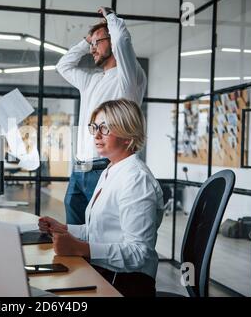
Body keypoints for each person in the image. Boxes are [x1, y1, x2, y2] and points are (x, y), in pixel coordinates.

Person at [39, 99, 163, 297]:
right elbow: (100, 230)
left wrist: (81, 248)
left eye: (105, 128)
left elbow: (140, 253)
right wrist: (63, 228)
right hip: (106, 273)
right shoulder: (111, 170)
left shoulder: (136, 179)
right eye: (95, 127)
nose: (96, 134)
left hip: (127, 285)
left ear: (127, 135)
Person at [56, 7, 147, 225]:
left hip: (105, 169)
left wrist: (111, 17)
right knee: (74, 234)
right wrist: (87, 40)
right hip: (79, 171)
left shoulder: (129, 79)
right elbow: (63, 65)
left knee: (100, 235)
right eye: (91, 45)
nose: (92, 49)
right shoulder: (91, 81)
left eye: (98, 43)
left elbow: (123, 40)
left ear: (112, 42)